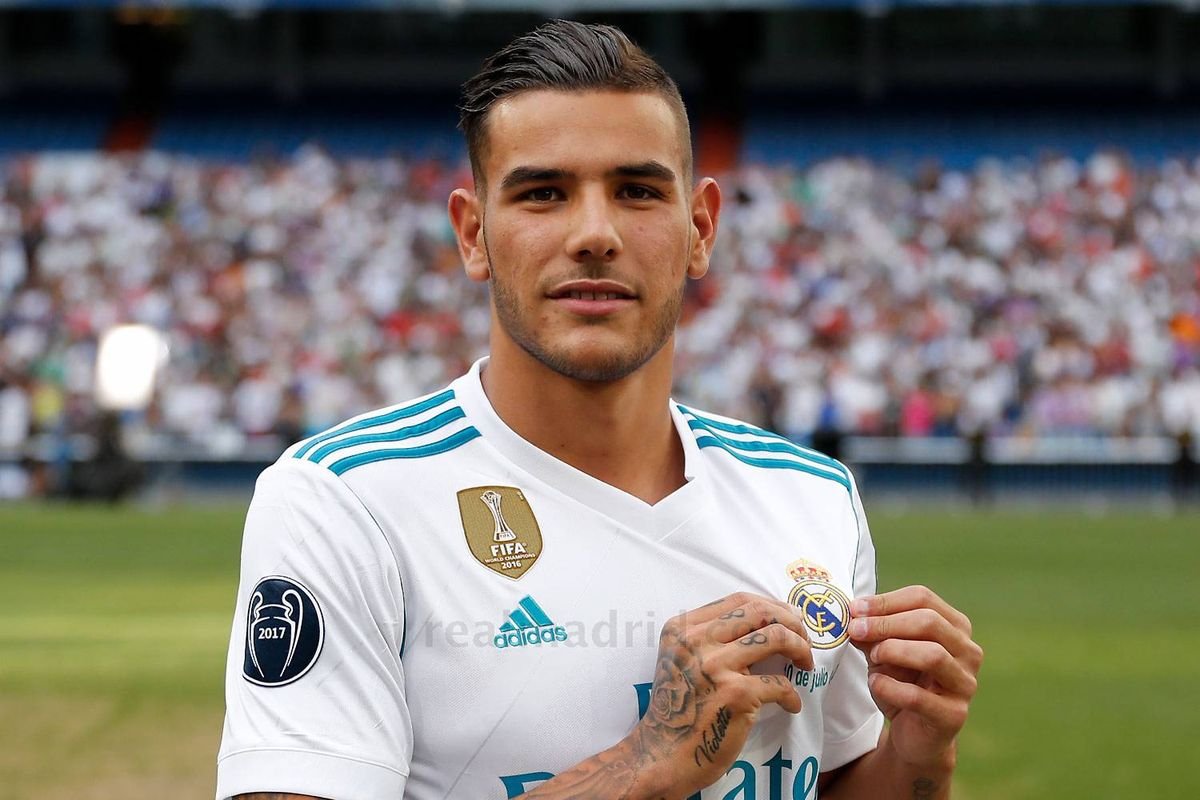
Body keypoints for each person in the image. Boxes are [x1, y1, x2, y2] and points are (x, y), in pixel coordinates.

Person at [216, 20, 982, 800]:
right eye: (543, 194)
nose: (594, 234)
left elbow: (838, 782)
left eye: (637, 191)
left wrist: (918, 757)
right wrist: (642, 764)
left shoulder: (811, 494)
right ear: (474, 234)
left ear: (700, 229)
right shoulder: (344, 501)